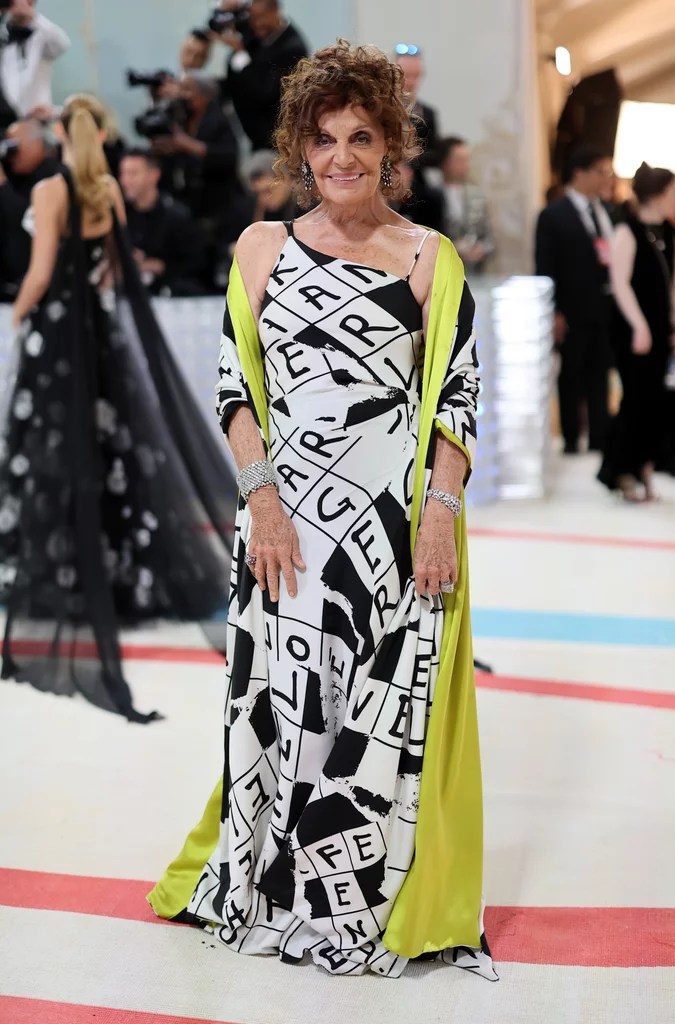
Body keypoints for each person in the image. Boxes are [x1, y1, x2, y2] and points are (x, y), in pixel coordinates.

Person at [149, 40, 496, 983]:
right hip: (283, 523)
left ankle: (355, 894)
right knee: (286, 701)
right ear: (300, 150)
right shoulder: (261, 247)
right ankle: (272, 880)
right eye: (324, 139)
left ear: (391, 149)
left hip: (389, 528)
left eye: (361, 138)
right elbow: (235, 388)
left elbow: (456, 396)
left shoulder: (428, 258)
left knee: (376, 711)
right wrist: (260, 501)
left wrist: (436, 515)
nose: (341, 156)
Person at [0, 94, 235, 721]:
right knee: (112, 452)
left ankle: (62, 576)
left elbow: (40, 272)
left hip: (57, 338)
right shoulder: (105, 191)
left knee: (53, 452)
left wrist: (18, 316)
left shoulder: (50, 190)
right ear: (102, 135)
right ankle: (116, 572)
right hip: (98, 337)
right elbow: (113, 269)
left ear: (59, 132)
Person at [598, 164, 675, 501]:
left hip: (662, 327)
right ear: (658, 195)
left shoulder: (670, 232)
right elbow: (620, 284)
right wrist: (639, 325)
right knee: (635, 399)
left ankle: (645, 468)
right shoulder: (627, 230)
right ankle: (622, 471)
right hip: (632, 329)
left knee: (657, 402)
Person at [535, 144, 615, 454]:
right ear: (579, 173)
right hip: (571, 309)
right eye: (600, 172)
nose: (605, 178)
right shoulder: (553, 215)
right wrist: (554, 312)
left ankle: (600, 438)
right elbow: (545, 267)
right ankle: (571, 439)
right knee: (571, 374)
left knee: (600, 374)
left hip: (604, 308)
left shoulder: (606, 211)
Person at [152, 72, 248, 289]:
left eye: (188, 90)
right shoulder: (182, 117)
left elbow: (228, 156)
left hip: (222, 204)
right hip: (193, 203)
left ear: (205, 95)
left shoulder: (219, 120)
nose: (183, 95)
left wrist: (187, 145)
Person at [217, 0, 308, 150]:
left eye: (261, 17)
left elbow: (265, 91)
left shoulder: (293, 48)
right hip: (250, 137)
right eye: (253, 18)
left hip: (276, 142)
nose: (257, 24)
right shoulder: (254, 37)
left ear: (275, 11)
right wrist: (229, 12)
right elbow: (234, 75)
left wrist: (240, 53)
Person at [119, 148, 205, 296]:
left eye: (133, 174)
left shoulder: (176, 216)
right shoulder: (120, 215)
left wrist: (161, 266)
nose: (126, 181)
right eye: (123, 173)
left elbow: (197, 262)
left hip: (170, 294)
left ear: (154, 175)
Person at [0, 117, 59, 300]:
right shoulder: (15, 174)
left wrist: (2, 184)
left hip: (38, 287)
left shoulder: (53, 176)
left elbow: (29, 220)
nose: (11, 155)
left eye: (15, 147)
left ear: (36, 144)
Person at [0, 0, 69, 118]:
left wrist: (32, 15)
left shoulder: (42, 35)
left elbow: (62, 45)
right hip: (7, 116)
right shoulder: (5, 37)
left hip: (38, 115)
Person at [439, 136, 495, 275]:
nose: (466, 165)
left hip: (473, 273)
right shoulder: (431, 196)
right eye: (459, 160)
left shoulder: (477, 196)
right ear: (445, 162)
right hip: (442, 272)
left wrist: (480, 249)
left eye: (467, 160)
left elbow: (490, 241)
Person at [394, 43, 440, 168]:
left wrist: (414, 157)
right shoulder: (382, 110)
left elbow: (435, 155)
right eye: (407, 75)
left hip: (416, 177)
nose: (411, 82)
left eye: (416, 76)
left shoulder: (427, 113)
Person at [244, 147, 299, 222]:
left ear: (284, 178)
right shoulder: (264, 213)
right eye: (257, 194)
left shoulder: (306, 205)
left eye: (268, 190)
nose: (263, 200)